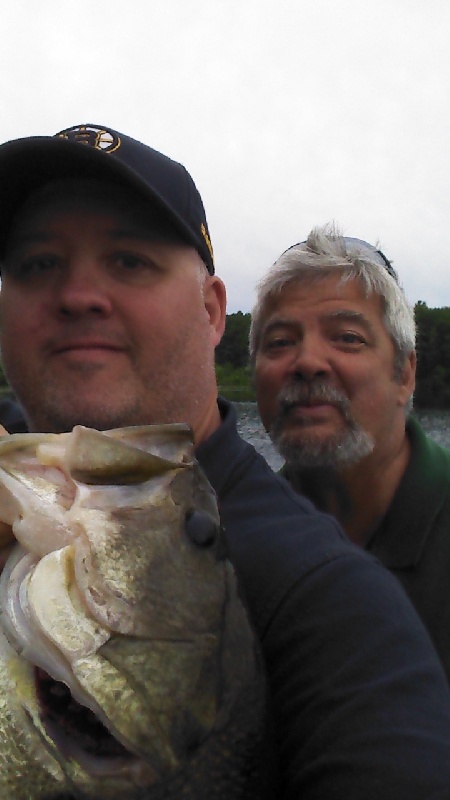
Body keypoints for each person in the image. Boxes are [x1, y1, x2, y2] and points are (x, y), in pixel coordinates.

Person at [0, 129, 450, 799]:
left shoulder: (328, 596)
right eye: (36, 264)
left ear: (212, 311)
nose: (77, 294)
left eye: (128, 260)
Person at [250, 223, 450, 686]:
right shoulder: (228, 536)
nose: (307, 362)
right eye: (280, 342)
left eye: (347, 338)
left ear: (405, 374)